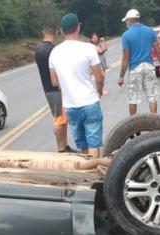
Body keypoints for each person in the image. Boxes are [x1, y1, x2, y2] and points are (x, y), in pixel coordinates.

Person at [48, 13, 107, 161]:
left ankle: (87, 174)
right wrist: (99, 91)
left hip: (70, 106)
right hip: (89, 102)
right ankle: (94, 176)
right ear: (78, 28)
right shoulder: (88, 48)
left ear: (62, 31)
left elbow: (54, 82)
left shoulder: (54, 53)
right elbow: (99, 77)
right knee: (94, 143)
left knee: (83, 145)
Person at [118, 8, 160, 116]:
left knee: (133, 99)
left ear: (131, 20)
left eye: (127, 20)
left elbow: (126, 57)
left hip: (135, 68)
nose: (126, 22)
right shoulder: (150, 31)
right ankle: (154, 121)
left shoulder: (126, 35)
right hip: (149, 65)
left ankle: (133, 127)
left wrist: (121, 76)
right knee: (151, 96)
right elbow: (158, 50)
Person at [35, 21, 71, 152]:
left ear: (43, 32)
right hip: (56, 87)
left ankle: (65, 145)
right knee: (58, 118)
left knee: (62, 117)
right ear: (56, 32)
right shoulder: (53, 50)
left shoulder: (38, 49)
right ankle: (61, 148)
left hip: (47, 87)